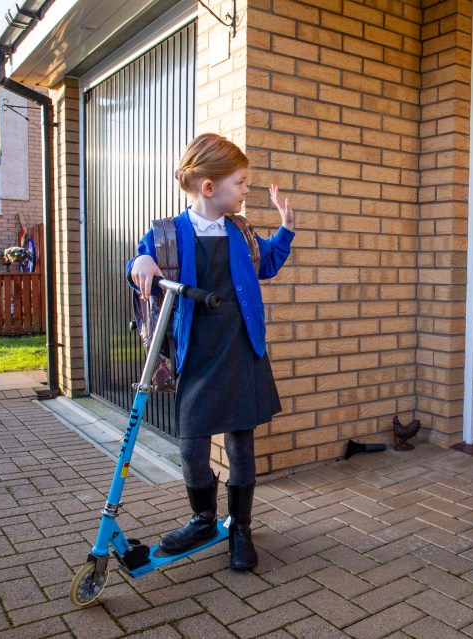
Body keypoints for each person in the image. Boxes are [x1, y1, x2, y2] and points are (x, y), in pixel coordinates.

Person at [127, 132, 295, 571]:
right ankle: (203, 518)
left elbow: (267, 265)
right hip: (199, 353)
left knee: (241, 442)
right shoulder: (167, 233)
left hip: (241, 347)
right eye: (240, 183)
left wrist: (287, 227)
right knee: (192, 444)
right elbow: (141, 266)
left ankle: (239, 527)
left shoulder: (240, 230)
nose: (245, 191)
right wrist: (139, 264)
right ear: (209, 187)